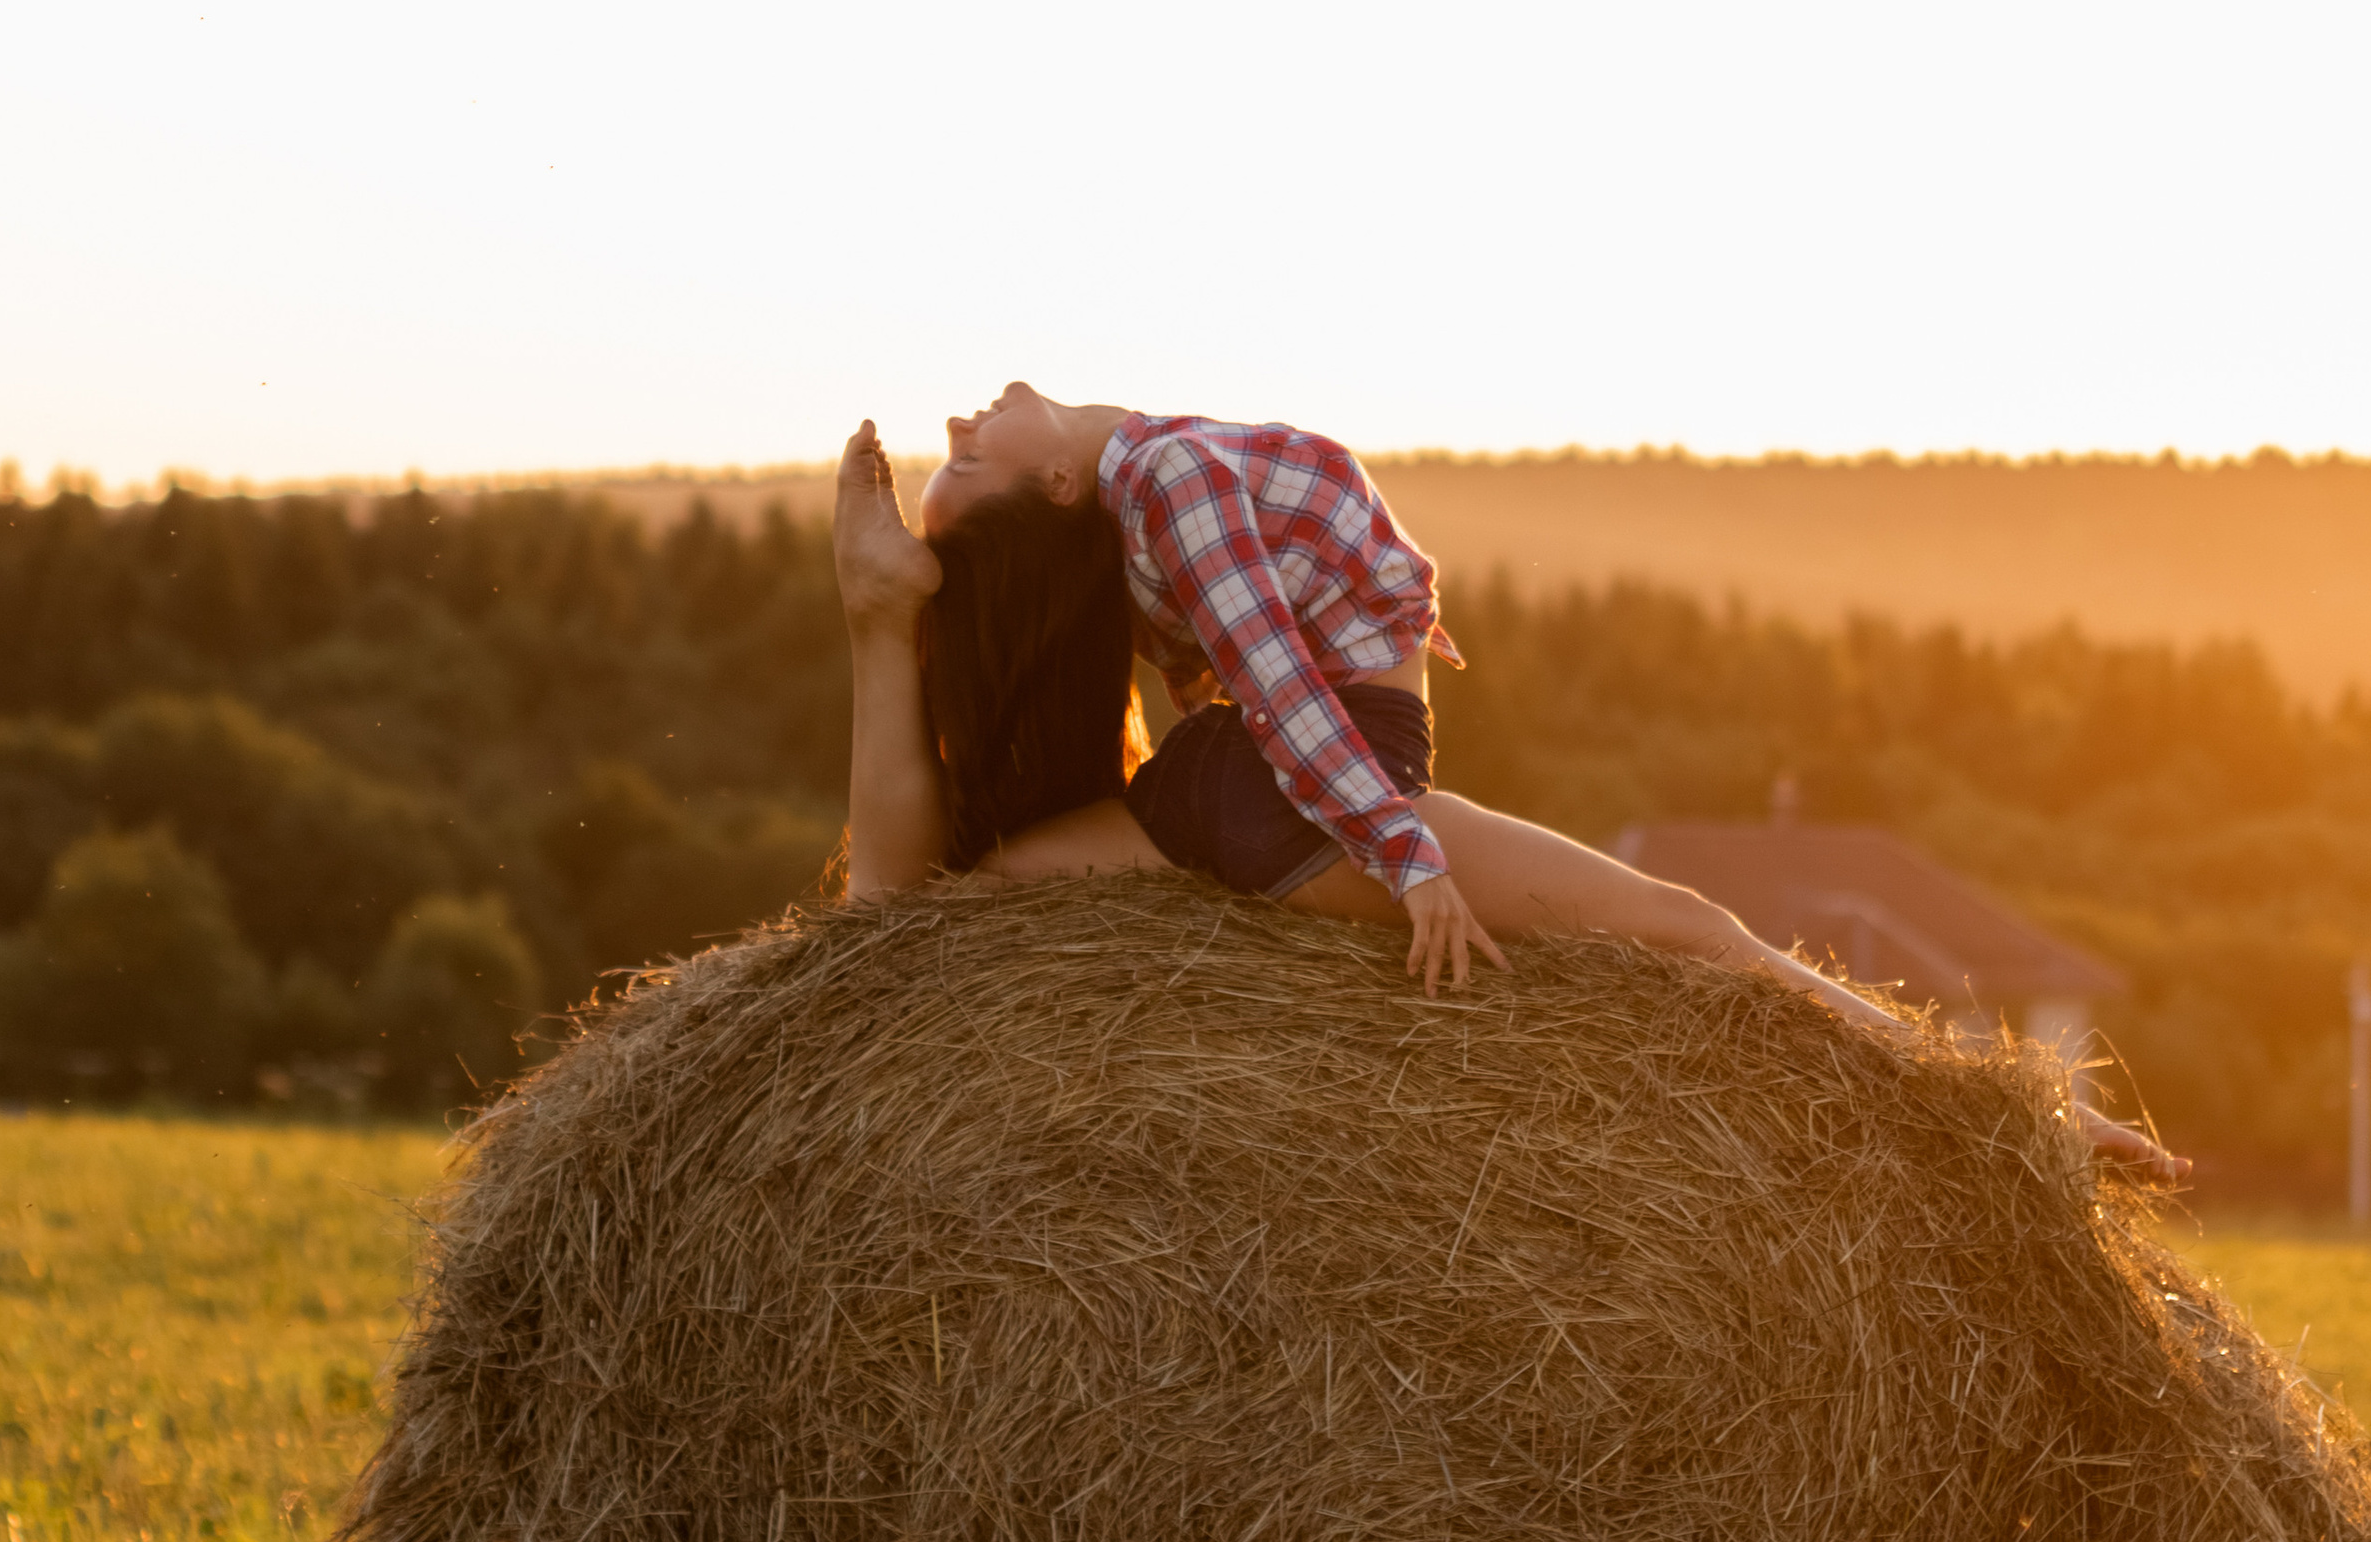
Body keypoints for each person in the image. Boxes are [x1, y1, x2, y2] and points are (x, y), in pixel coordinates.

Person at [833, 386, 2186, 1179]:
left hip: (1236, 788)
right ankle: (2010, 1115)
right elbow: (1285, 695)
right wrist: (1407, 855)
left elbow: (1227, 678)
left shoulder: (1153, 494)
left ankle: (875, 615)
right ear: (1058, 481)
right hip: (1309, 786)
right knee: (1691, 930)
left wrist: (893, 620)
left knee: (939, 901)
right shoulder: (1175, 475)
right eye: (969, 454)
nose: (959, 415)